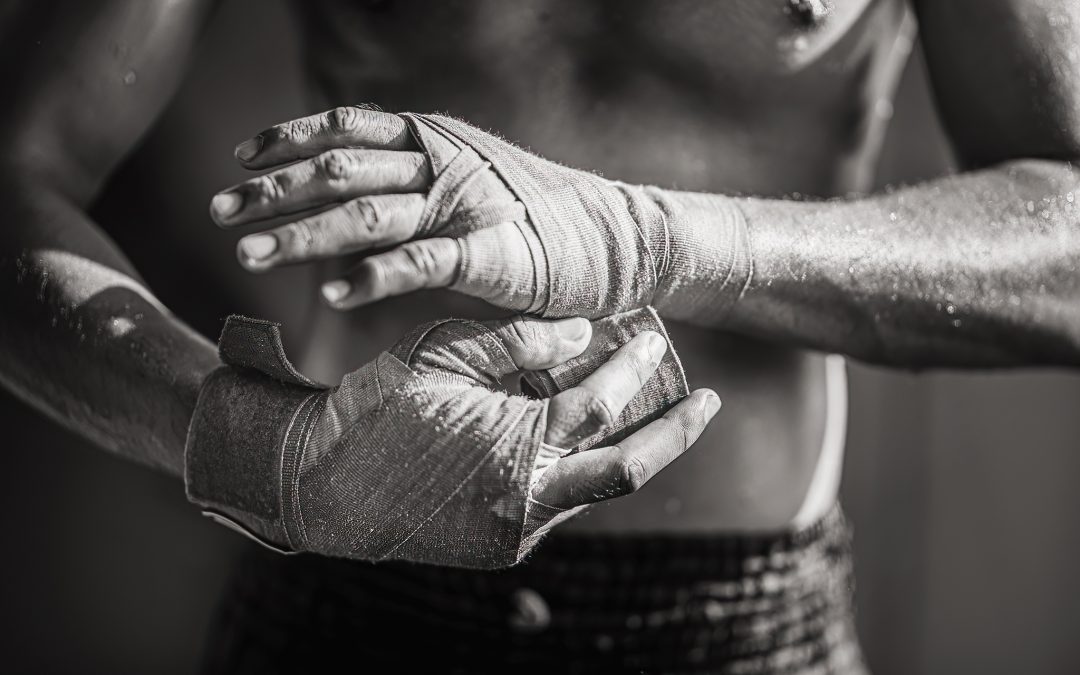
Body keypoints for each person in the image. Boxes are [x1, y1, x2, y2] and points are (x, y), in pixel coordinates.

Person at [3, 0, 1079, 672]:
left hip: (738, 625)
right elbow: (16, 173)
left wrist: (654, 239)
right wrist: (263, 453)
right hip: (344, 591)